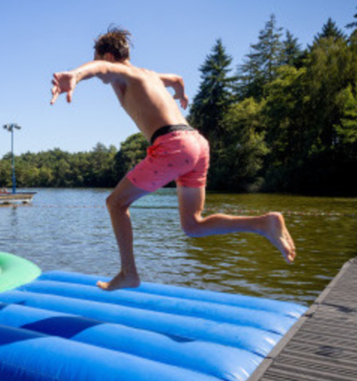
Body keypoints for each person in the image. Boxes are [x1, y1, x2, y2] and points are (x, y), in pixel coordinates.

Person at [50, 26, 295, 291]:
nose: (101, 73)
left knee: (115, 203)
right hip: (197, 144)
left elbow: (103, 70)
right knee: (193, 225)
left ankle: (128, 273)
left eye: (101, 60)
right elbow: (177, 79)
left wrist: (75, 75)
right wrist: (180, 94)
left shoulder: (122, 72)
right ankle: (263, 223)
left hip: (173, 145)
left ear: (108, 57)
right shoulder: (151, 76)